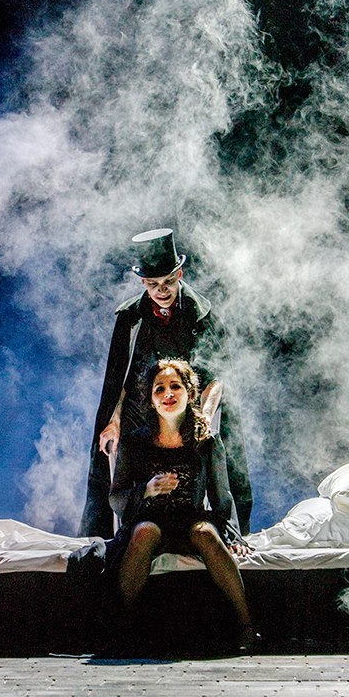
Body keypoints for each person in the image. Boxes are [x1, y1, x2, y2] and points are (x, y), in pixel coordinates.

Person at [79, 228, 252, 539]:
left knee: (210, 465)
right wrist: (114, 421)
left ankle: (220, 535)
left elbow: (217, 375)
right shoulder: (130, 317)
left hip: (191, 404)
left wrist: (203, 417)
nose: (162, 290)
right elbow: (120, 377)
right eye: (153, 284)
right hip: (141, 407)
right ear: (143, 283)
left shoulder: (201, 314)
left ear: (179, 275)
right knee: (123, 467)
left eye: (168, 282)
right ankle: (128, 539)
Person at [108, 358, 257, 652]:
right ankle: (119, 629)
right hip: (150, 520)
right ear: (151, 400)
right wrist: (146, 490)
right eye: (159, 389)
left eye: (175, 386)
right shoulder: (135, 442)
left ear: (189, 393)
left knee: (205, 533)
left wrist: (233, 537)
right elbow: (116, 496)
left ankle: (246, 626)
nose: (168, 394)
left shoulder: (207, 441)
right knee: (145, 532)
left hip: (190, 520)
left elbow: (222, 497)